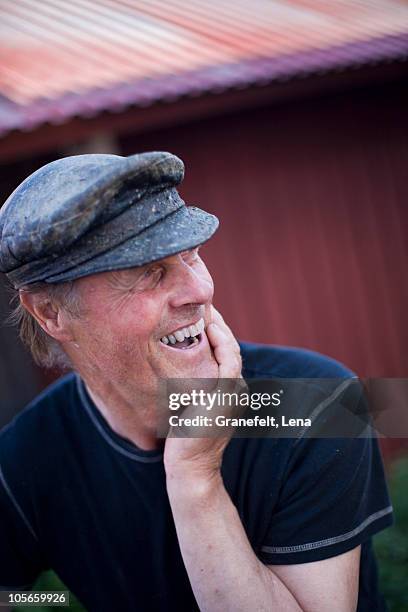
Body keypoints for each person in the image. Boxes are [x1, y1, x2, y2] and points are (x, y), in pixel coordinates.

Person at [0, 152, 393, 612]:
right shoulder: (25, 457)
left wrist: (195, 479)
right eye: (148, 273)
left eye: (192, 255)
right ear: (51, 313)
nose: (199, 290)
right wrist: (53, 603)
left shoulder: (322, 401)